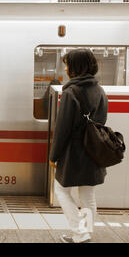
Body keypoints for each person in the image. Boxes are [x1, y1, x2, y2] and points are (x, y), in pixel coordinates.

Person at [48, 49, 108, 243]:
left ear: (76, 67)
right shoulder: (100, 90)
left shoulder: (71, 92)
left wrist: (53, 155)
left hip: (74, 152)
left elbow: (63, 128)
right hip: (94, 151)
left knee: (61, 191)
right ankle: (85, 233)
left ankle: (80, 234)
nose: (65, 69)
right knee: (88, 195)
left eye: (67, 64)